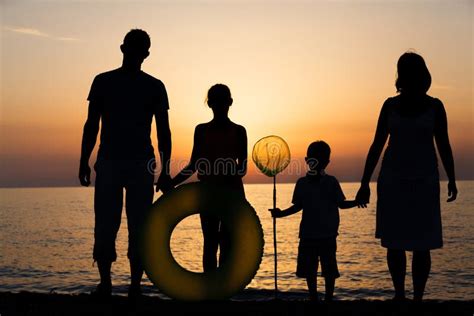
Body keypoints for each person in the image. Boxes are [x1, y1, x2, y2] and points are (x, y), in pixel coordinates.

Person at [356, 52, 457, 302]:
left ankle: (418, 298)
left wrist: (452, 178)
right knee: (395, 241)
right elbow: (377, 144)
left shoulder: (435, 106)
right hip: (393, 181)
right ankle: (400, 294)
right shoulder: (389, 105)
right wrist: (364, 182)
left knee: (423, 243)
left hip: (424, 181)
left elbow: (443, 144)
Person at [78, 29, 172, 298]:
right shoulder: (105, 82)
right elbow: (91, 124)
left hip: (137, 163)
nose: (133, 53)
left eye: (136, 49)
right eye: (133, 48)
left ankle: (129, 286)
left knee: (134, 224)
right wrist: (84, 159)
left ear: (142, 53)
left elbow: (164, 130)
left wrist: (165, 170)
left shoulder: (153, 86)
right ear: (125, 49)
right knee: (112, 223)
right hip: (113, 161)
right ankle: (113, 285)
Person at [270, 141, 364, 301]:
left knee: (329, 269)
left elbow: (341, 204)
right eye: (315, 158)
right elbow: (298, 206)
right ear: (307, 160)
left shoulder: (332, 182)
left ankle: (328, 298)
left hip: (328, 234)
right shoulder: (302, 183)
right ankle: (313, 296)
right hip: (308, 234)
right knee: (310, 269)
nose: (318, 162)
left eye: (321, 159)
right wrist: (280, 214)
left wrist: (356, 202)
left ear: (326, 162)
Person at [168, 84, 247, 272]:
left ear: (230, 102)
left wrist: (224, 175)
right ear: (210, 104)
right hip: (209, 194)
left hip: (231, 194)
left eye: (223, 101)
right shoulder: (201, 130)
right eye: (216, 101)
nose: (220, 105)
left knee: (226, 242)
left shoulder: (239, 131)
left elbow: (242, 167)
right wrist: (172, 182)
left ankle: (221, 291)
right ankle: (211, 290)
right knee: (211, 241)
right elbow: (194, 164)